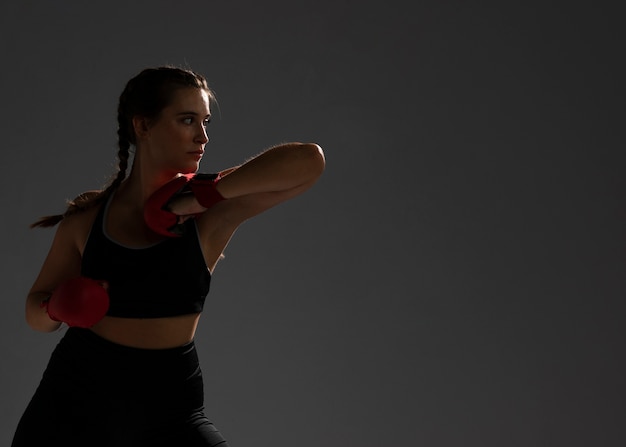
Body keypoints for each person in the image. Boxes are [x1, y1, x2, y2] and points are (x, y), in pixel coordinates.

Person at [11, 66, 325, 447]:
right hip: (74, 400)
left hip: (170, 407)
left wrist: (201, 196)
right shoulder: (88, 221)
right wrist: (58, 307)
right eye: (188, 120)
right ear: (143, 126)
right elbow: (35, 313)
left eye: (206, 121)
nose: (203, 136)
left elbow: (309, 162)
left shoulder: (209, 213)